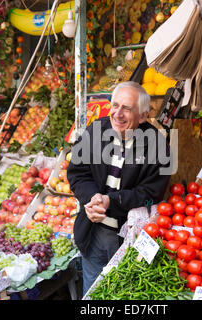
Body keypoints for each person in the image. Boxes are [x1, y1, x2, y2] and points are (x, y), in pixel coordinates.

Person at [67, 81, 173, 295]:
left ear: (143, 116)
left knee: (124, 294)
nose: (118, 113)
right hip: (92, 233)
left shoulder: (158, 146)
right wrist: (92, 198)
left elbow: (151, 193)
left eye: (127, 108)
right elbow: (78, 173)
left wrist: (111, 201)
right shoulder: (95, 131)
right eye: (115, 105)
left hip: (128, 239)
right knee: (92, 294)